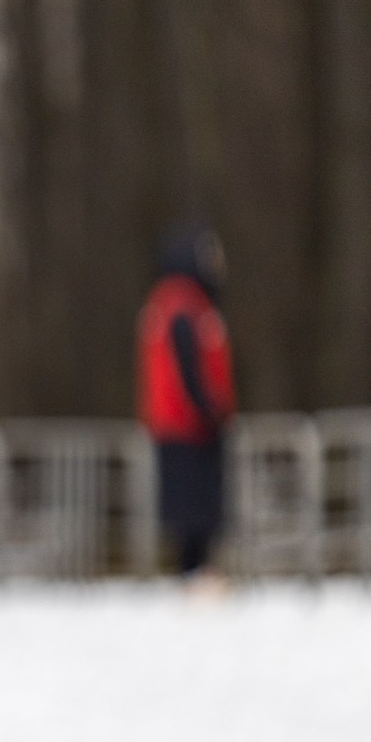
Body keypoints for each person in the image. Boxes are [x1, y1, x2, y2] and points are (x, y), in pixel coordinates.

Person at [138, 222, 236, 580]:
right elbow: (189, 370)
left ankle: (194, 572)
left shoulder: (170, 302)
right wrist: (210, 410)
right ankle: (194, 574)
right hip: (188, 426)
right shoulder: (184, 305)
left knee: (189, 508)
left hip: (174, 424)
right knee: (195, 510)